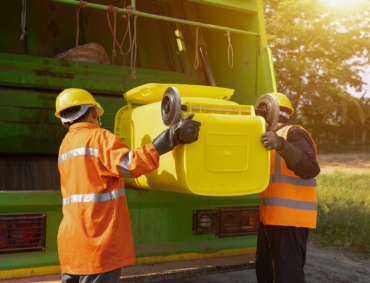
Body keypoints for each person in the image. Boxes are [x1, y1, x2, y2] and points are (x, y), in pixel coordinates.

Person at [54, 88, 201, 283]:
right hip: (98, 241)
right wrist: (171, 137)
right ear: (93, 112)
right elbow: (129, 164)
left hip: (72, 242)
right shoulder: (98, 138)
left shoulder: (66, 145)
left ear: (65, 120)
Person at [256, 92, 320, 283]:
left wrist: (281, 145)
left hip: (291, 221)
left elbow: (310, 168)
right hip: (269, 219)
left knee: (287, 277)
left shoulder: (293, 133)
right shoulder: (266, 138)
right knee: (266, 273)